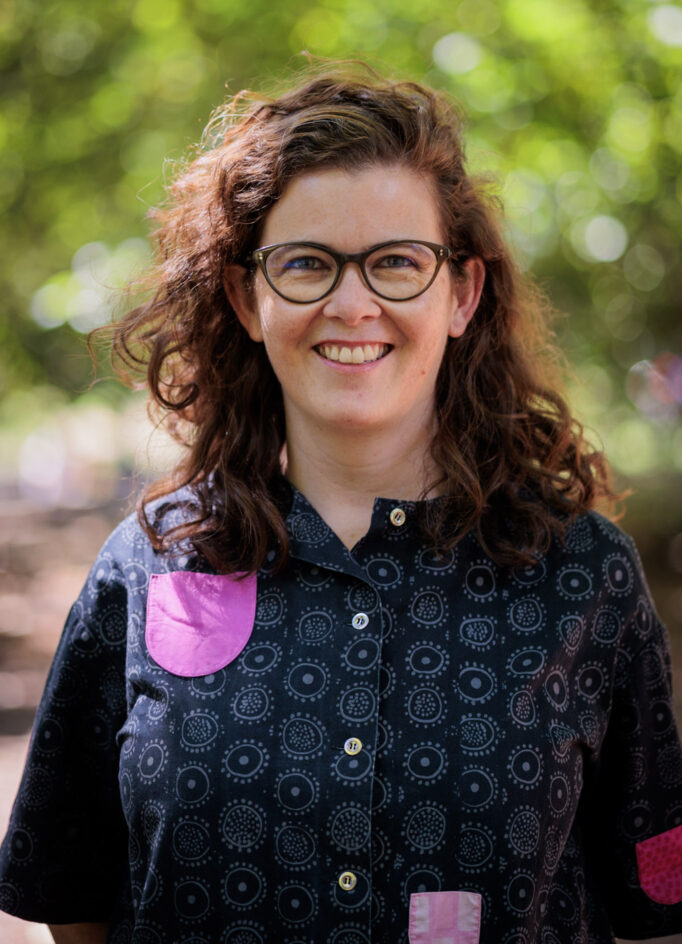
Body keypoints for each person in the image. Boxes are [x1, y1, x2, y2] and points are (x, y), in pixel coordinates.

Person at [0, 65, 681, 944]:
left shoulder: (586, 575)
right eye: (307, 264)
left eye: (397, 262)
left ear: (461, 295)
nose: (351, 303)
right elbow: (73, 894)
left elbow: (657, 903)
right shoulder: (146, 568)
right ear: (249, 298)